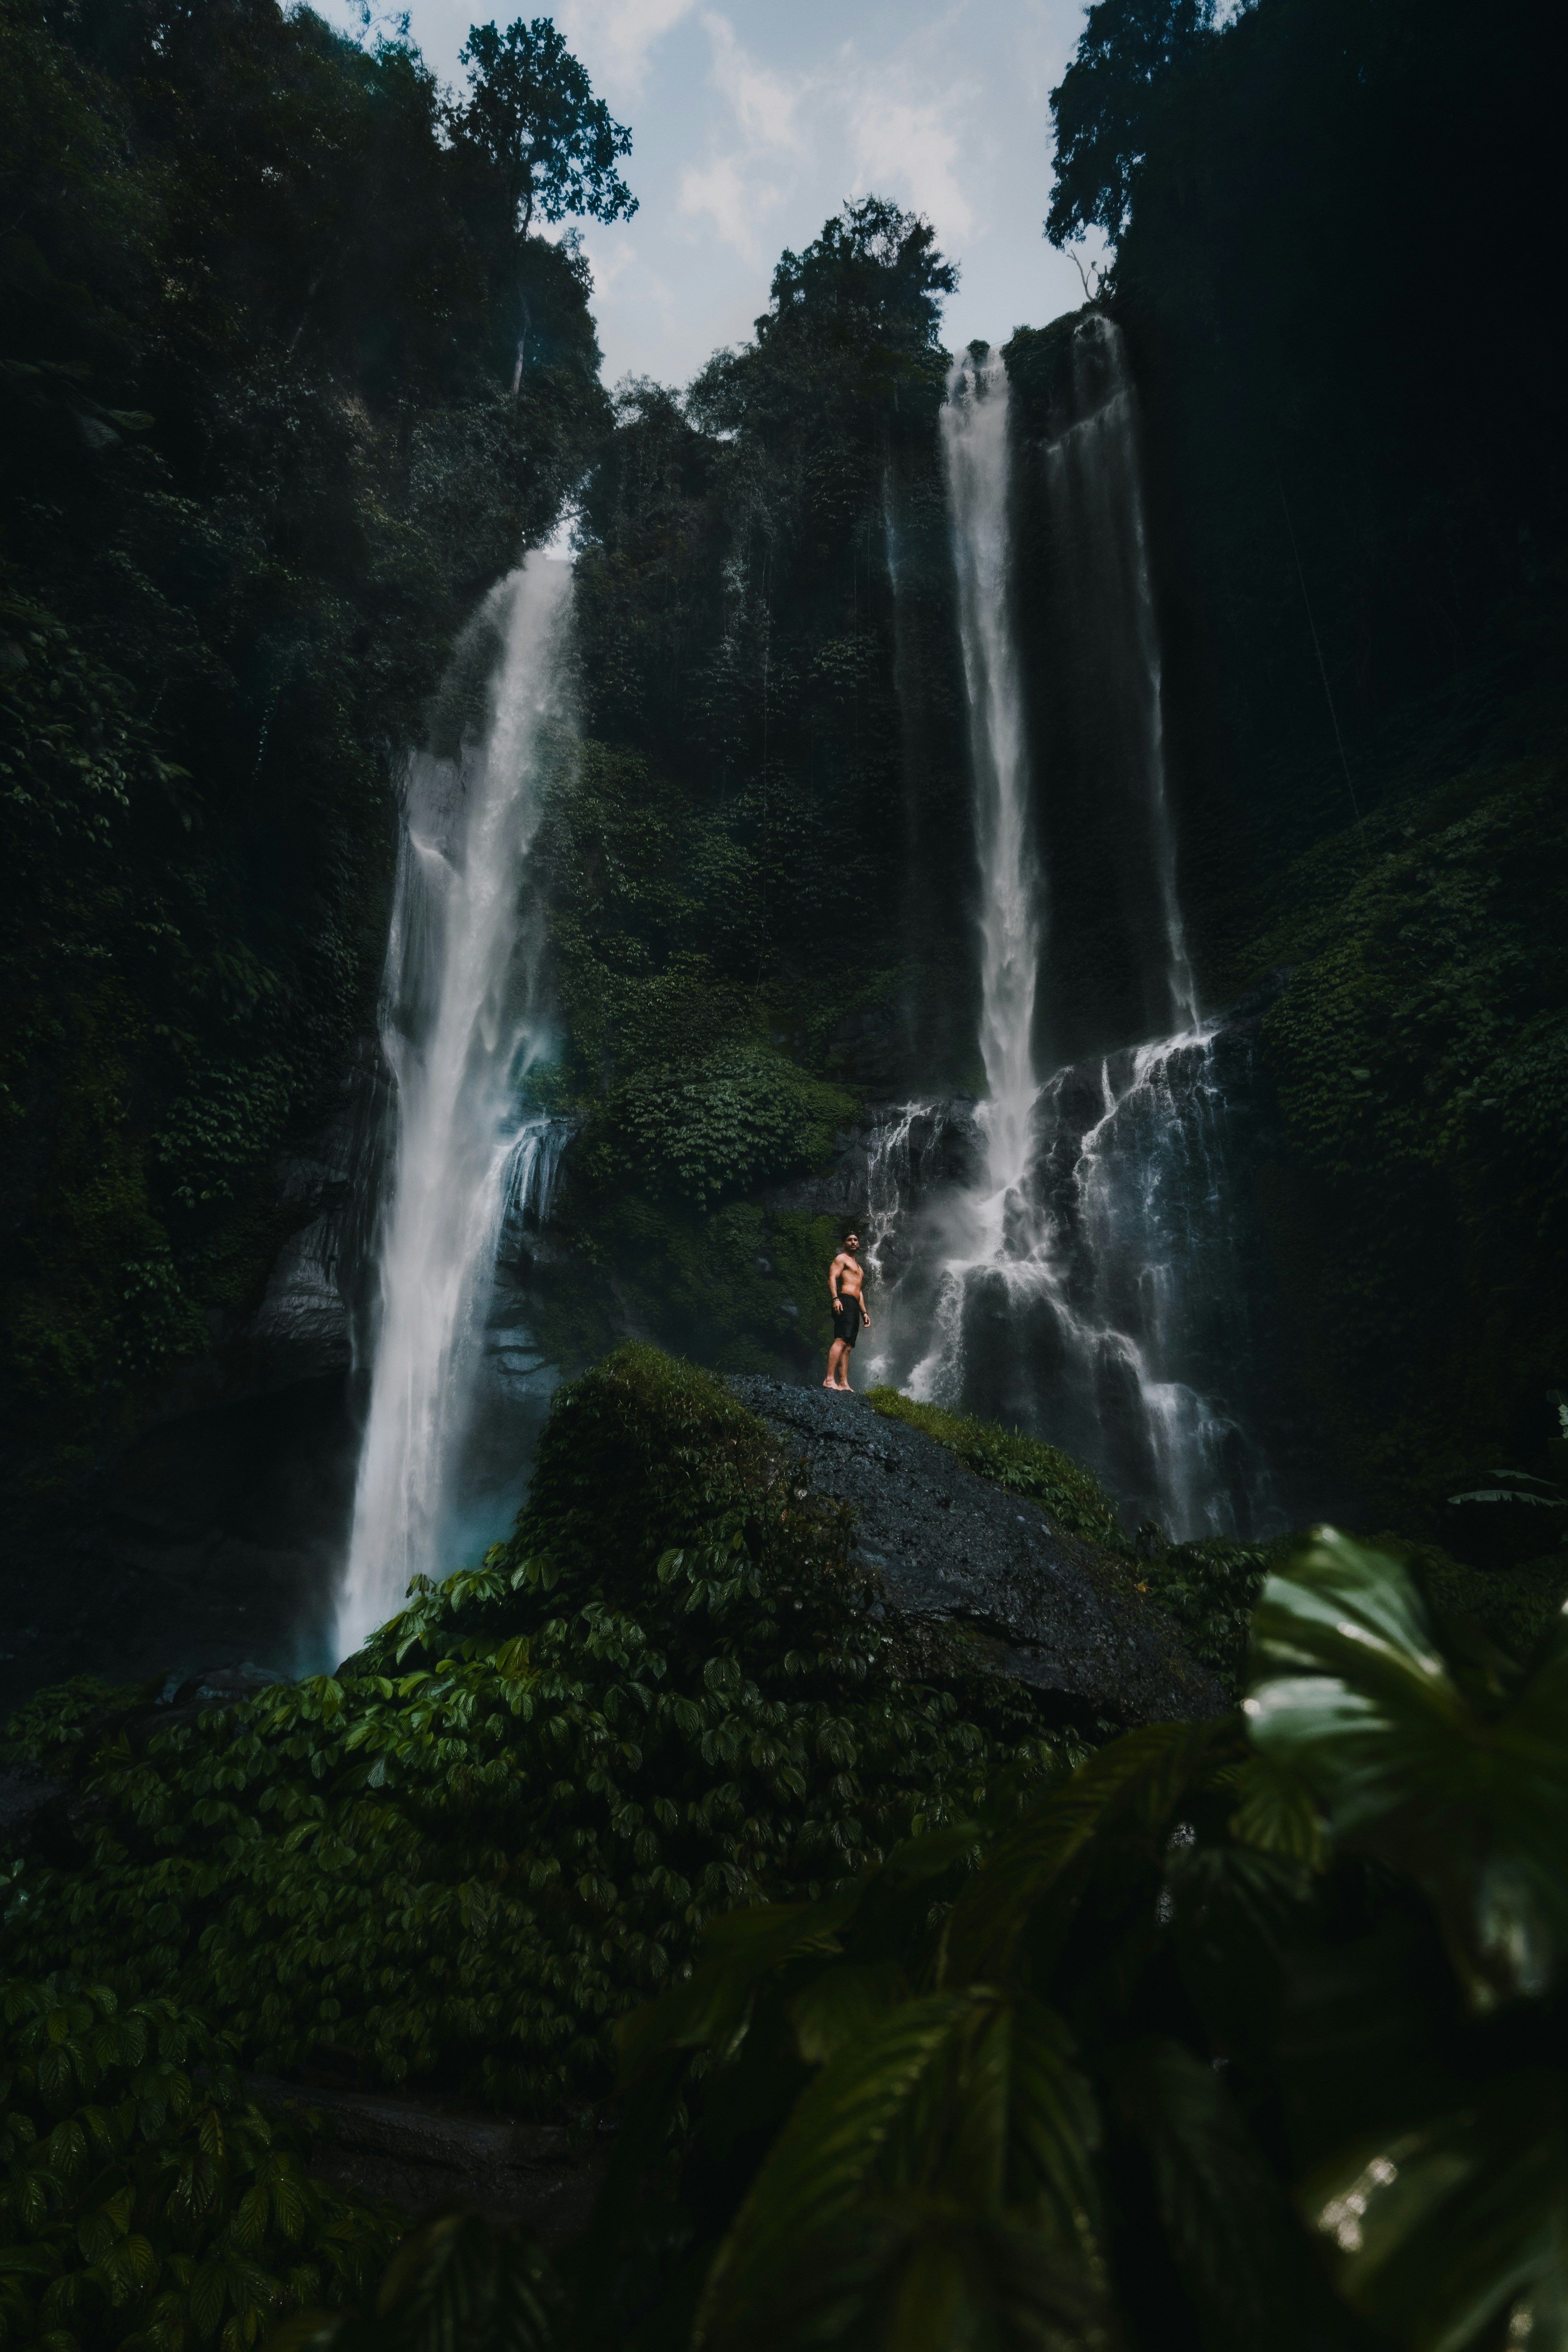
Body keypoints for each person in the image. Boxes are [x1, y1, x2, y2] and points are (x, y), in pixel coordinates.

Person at [823, 1232, 870, 1391]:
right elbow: (832, 1278)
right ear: (844, 1244)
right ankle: (829, 1380)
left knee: (848, 1345)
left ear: (859, 1244)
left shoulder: (859, 1268)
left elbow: (859, 1292)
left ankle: (843, 1383)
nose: (853, 1242)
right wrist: (835, 1299)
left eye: (856, 1240)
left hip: (854, 1305)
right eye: (849, 1240)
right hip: (844, 1301)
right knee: (841, 1340)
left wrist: (864, 1312)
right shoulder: (841, 1259)